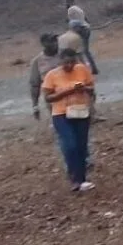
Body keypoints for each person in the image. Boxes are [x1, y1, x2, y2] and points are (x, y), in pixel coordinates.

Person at [42, 48, 96, 192]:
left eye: (72, 62)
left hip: (80, 111)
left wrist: (85, 89)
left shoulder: (82, 69)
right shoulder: (52, 75)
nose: (70, 65)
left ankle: (82, 179)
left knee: (81, 146)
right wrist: (68, 91)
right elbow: (48, 97)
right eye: (66, 62)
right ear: (60, 60)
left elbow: (91, 87)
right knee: (70, 144)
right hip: (61, 113)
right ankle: (74, 177)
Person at [29, 33, 62, 120]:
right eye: (51, 41)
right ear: (44, 44)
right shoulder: (37, 61)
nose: (55, 43)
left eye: (55, 40)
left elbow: (79, 74)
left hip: (70, 92)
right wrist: (35, 106)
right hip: (52, 96)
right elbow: (35, 85)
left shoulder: (65, 55)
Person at [64, 0, 98, 75]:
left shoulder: (70, 9)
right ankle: (93, 68)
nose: (66, 4)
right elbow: (85, 19)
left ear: (70, 2)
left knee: (77, 50)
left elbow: (71, 22)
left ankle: (82, 69)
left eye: (67, 2)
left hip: (80, 29)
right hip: (86, 29)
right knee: (85, 50)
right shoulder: (79, 9)